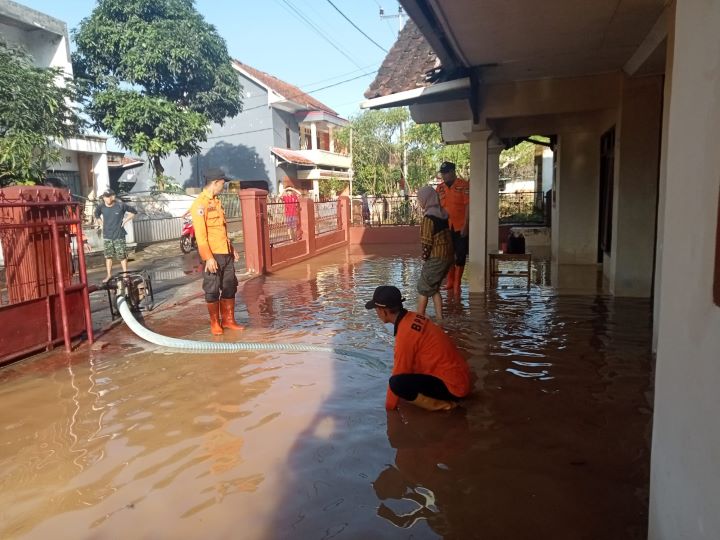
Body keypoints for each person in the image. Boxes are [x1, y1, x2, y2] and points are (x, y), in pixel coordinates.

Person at [365, 285, 471, 411]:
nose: (377, 313)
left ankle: (446, 405)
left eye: (376, 309)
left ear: (383, 311)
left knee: (397, 384)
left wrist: (389, 411)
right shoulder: (413, 317)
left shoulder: (405, 334)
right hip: (461, 378)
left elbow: (398, 375)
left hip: (454, 388)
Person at [189, 168, 244, 335]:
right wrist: (208, 258)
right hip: (212, 255)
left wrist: (231, 248)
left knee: (229, 286)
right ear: (214, 183)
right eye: (222, 183)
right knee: (212, 289)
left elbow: (221, 230)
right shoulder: (200, 204)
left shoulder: (216, 202)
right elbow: (200, 234)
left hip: (225, 252)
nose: (223, 186)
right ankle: (215, 323)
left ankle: (228, 320)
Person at [416, 185, 454, 320]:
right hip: (447, 257)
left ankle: (419, 317)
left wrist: (425, 258)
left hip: (436, 257)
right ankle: (440, 318)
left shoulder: (429, 218)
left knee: (423, 287)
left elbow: (427, 242)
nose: (419, 202)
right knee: (434, 287)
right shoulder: (442, 214)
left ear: (426, 200)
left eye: (420, 199)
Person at [435, 162, 469, 295]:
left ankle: (457, 282)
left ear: (453, 172)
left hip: (460, 226)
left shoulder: (463, 185)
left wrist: (466, 225)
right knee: (448, 255)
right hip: (445, 226)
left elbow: (468, 206)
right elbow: (437, 208)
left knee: (460, 254)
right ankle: (450, 281)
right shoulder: (440, 188)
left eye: (447, 172)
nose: (444, 175)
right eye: (443, 173)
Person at [94, 189, 137, 282]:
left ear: (113, 197)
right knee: (108, 256)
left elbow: (134, 212)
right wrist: (101, 223)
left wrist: (125, 220)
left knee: (122, 256)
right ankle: (109, 275)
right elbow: (96, 214)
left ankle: (125, 275)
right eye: (105, 196)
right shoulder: (101, 206)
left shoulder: (120, 205)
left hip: (119, 235)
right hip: (107, 235)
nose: (107, 198)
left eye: (109, 196)